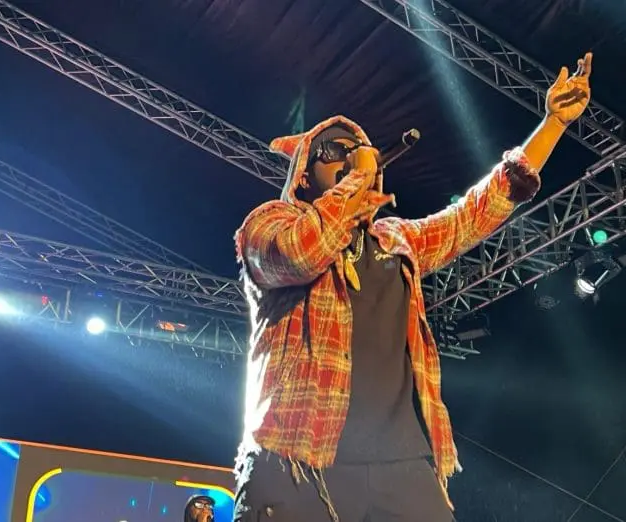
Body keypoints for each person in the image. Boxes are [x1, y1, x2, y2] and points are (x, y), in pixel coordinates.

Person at [232, 53, 593, 522]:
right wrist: (357, 179)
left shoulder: (396, 238)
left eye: (360, 150)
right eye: (335, 151)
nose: (352, 157)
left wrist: (553, 124)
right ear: (303, 174)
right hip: (298, 457)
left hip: (401, 462)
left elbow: (475, 213)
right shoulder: (269, 222)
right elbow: (301, 254)